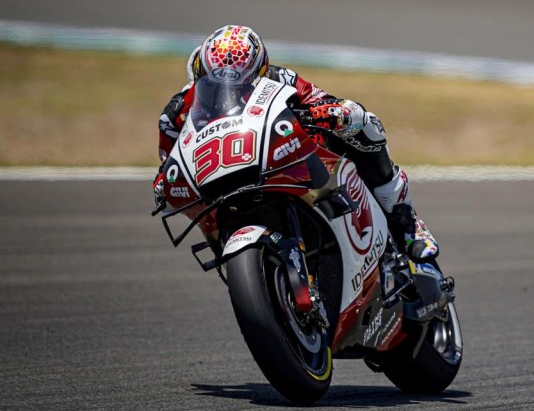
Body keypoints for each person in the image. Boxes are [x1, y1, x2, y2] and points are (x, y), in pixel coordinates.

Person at [153, 24, 439, 262]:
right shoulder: (176, 113)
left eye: (243, 82)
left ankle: (406, 222)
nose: (229, 90)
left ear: (260, 72)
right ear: (201, 73)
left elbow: (324, 102)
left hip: (284, 164)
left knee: (365, 123)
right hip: (223, 188)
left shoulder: (282, 78)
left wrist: (333, 113)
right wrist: (163, 186)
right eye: (217, 83)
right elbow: (168, 167)